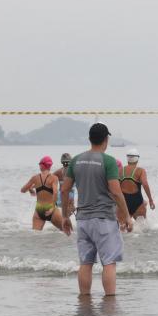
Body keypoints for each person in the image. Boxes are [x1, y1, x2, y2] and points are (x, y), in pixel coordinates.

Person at [59, 123, 133, 297]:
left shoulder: (76, 160)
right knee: (109, 263)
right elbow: (115, 191)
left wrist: (64, 216)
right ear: (106, 139)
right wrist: (127, 217)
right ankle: (110, 301)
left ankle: (84, 299)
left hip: (82, 219)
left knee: (85, 262)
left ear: (90, 139)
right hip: (103, 219)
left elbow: (64, 189)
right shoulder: (108, 161)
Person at [21, 156, 62, 230]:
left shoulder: (35, 178)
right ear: (50, 166)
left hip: (39, 210)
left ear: (41, 166)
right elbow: (55, 192)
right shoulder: (54, 178)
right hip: (50, 209)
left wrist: (30, 189)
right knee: (67, 231)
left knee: (36, 236)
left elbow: (23, 190)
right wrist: (52, 208)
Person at [120, 149, 154, 219]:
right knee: (143, 228)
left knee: (123, 228)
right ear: (137, 159)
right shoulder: (140, 170)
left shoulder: (120, 170)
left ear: (127, 159)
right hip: (137, 201)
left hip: (123, 202)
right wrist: (150, 199)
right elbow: (145, 184)